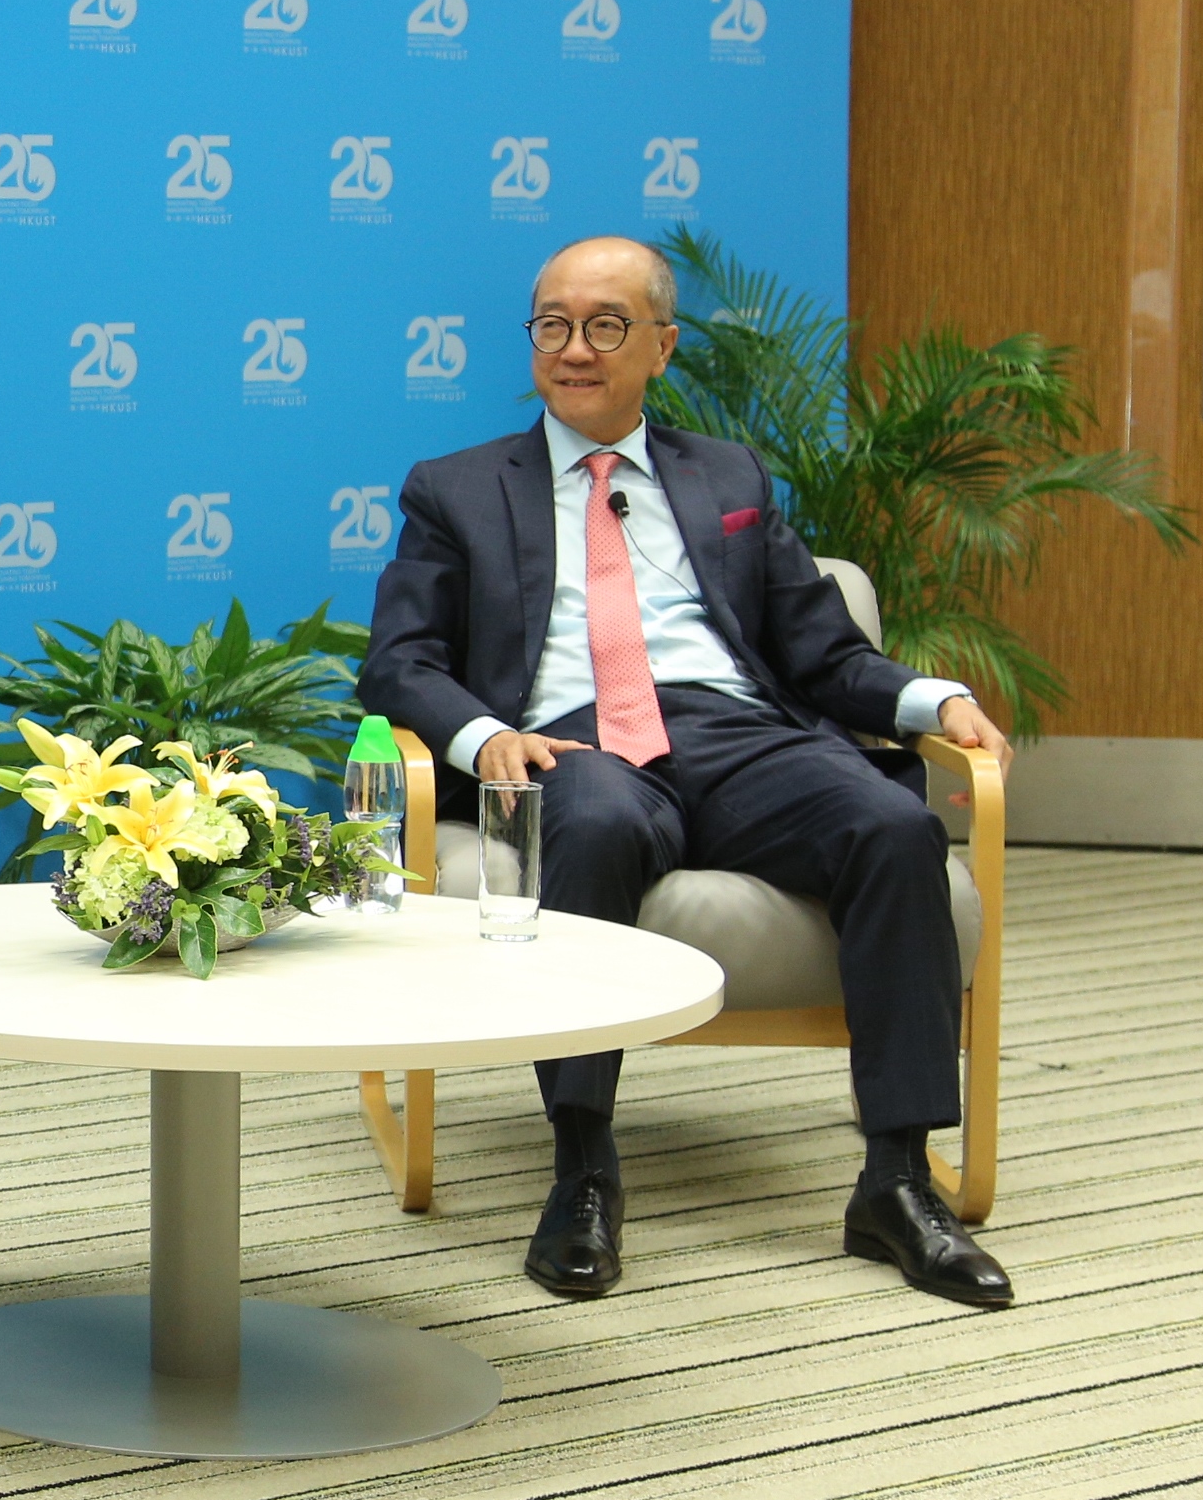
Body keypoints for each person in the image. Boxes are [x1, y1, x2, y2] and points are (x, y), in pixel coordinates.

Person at [359, 236, 1019, 1310]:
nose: (574, 348)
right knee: (592, 820)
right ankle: (580, 1169)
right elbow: (399, 662)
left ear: (660, 346)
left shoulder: (727, 475)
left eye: (606, 325)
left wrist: (928, 699)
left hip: (736, 732)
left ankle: (894, 1183)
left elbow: (823, 653)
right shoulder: (457, 488)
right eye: (552, 325)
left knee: (891, 828)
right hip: (570, 738)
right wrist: (487, 741)